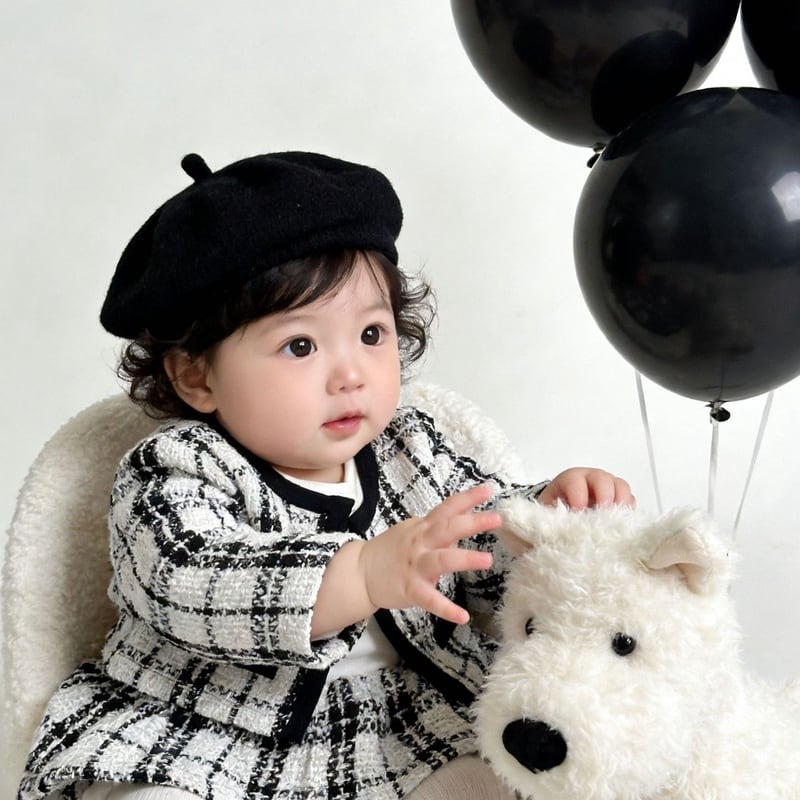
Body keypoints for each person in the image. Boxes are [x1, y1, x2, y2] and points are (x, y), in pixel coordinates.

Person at [17, 151, 633, 800]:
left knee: (495, 782)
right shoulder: (176, 469)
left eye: (371, 334)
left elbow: (476, 541)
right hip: (208, 727)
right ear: (197, 377)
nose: (350, 375)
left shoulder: (409, 446)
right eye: (301, 346)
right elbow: (189, 583)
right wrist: (359, 575)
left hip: (400, 719)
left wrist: (547, 518)